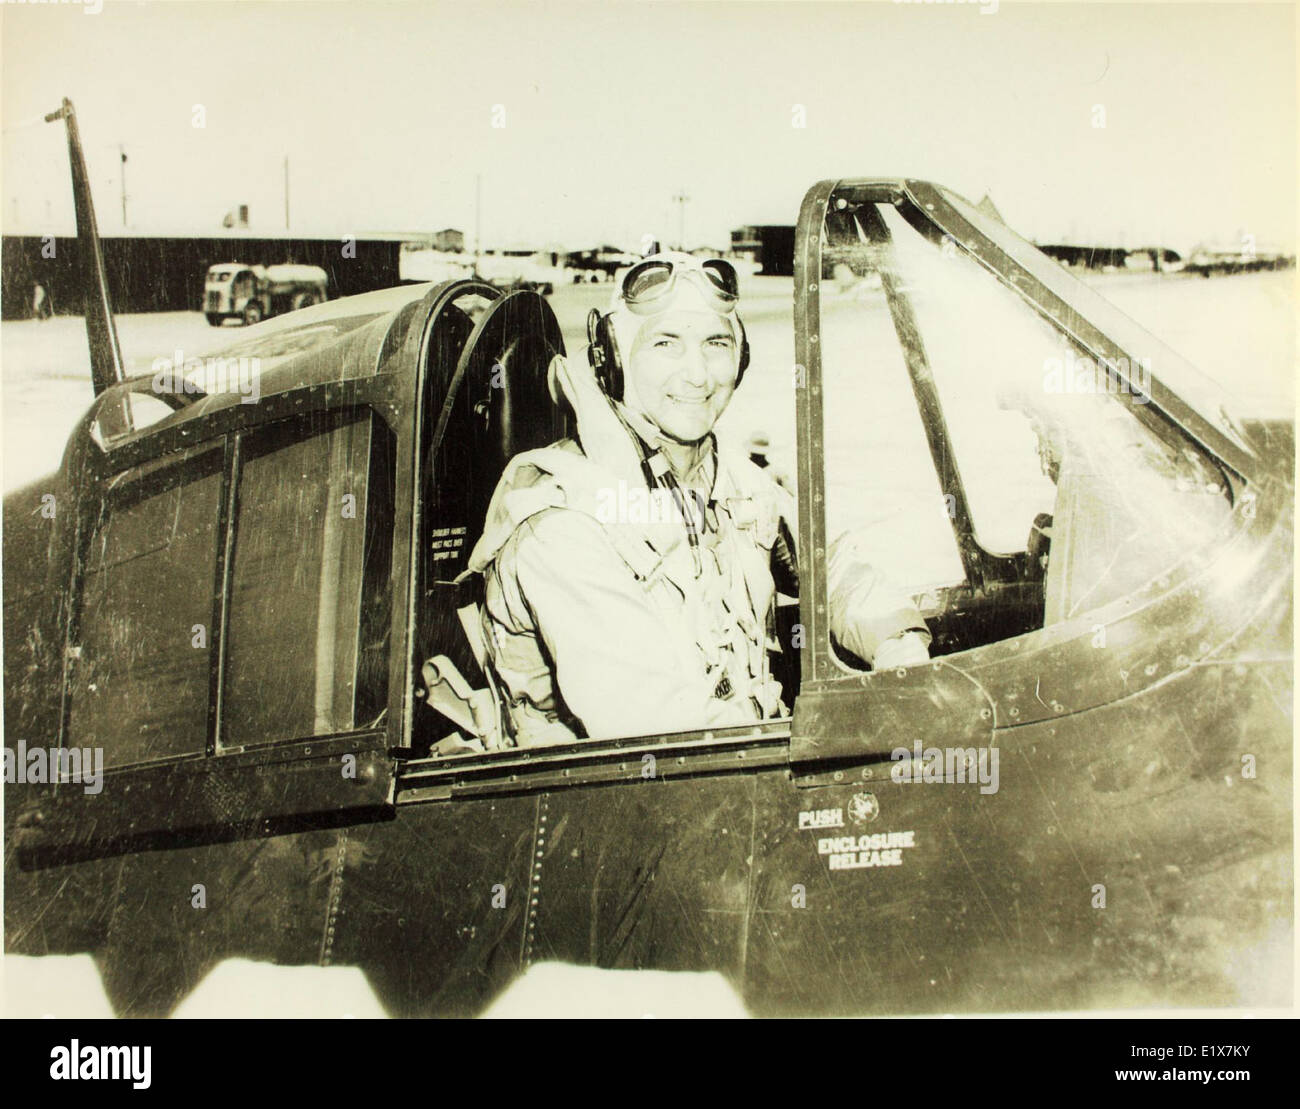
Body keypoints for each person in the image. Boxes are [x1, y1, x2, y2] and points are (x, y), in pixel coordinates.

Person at [464, 252, 928, 746]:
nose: (698, 375)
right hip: (619, 797)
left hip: (737, 760)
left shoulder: (724, 476)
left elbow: (832, 565)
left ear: (741, 357)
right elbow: (653, 727)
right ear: (613, 360)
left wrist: (898, 646)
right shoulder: (561, 525)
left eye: (715, 344)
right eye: (666, 344)